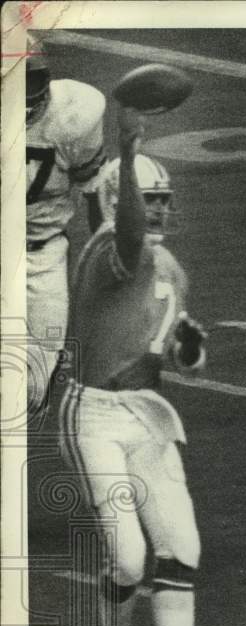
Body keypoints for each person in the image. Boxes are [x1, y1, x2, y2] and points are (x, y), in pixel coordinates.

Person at [59, 103, 219, 626]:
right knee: (127, 559)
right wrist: (125, 154)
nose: (158, 211)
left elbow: (174, 352)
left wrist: (189, 349)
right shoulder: (106, 252)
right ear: (121, 199)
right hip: (95, 417)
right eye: (147, 200)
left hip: (148, 415)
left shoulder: (171, 265)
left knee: (182, 550)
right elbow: (123, 231)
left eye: (164, 200)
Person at [26, 33, 107, 413]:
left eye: (30, 80)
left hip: (42, 255)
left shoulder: (74, 114)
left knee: (32, 386)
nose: (24, 93)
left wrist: (107, 265)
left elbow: (93, 191)